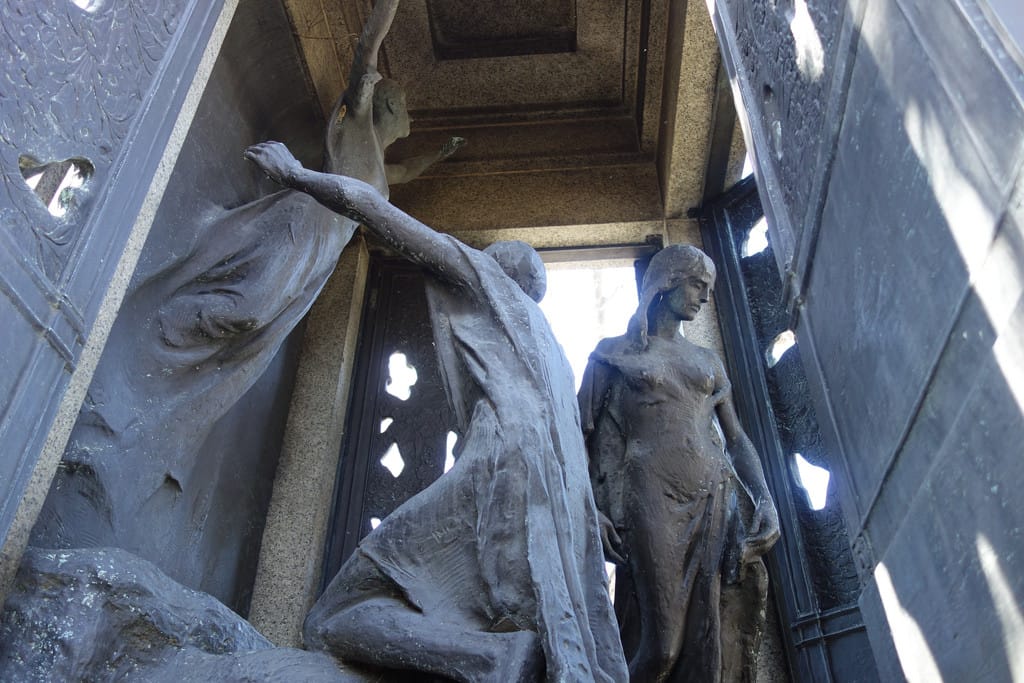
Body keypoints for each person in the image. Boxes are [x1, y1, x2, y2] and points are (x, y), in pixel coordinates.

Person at [32, 0, 462, 579]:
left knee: (254, 324)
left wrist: (440, 156)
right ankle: (164, 332)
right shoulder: (357, 121)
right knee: (243, 308)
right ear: (387, 102)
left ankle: (167, 368)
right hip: (299, 226)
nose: (412, 112)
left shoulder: (383, 168)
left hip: (320, 257)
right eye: (407, 102)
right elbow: (364, 53)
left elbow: (401, 179)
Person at [244, 141, 627, 683]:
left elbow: (377, 211)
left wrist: (297, 173)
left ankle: (492, 660)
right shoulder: (552, 353)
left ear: (493, 267)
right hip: (556, 501)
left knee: (336, 615)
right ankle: (494, 654)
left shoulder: (479, 278)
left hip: (499, 467)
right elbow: (568, 457)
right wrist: (592, 515)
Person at [577, 244, 781, 683]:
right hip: (650, 494)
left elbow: (737, 438)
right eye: (697, 284)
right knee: (661, 647)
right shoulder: (612, 354)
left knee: (708, 642)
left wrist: (764, 498)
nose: (704, 297)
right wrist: (592, 508)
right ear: (666, 282)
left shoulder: (707, 361)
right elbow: (578, 442)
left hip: (713, 496)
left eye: (709, 288)